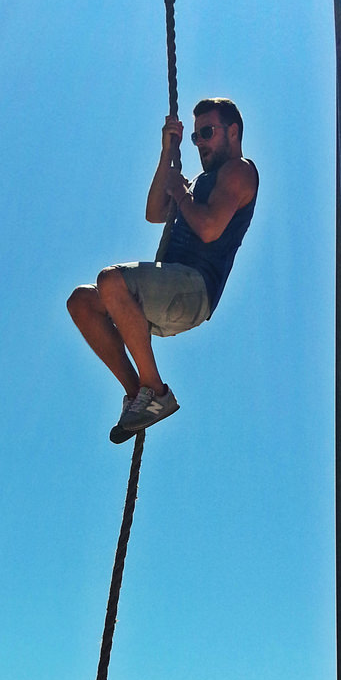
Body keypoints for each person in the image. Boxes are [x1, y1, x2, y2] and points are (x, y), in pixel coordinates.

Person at [67, 98, 258, 443]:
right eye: (196, 136)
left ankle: (155, 389)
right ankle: (140, 397)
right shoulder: (201, 182)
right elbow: (155, 212)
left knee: (110, 281)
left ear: (233, 132)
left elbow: (211, 228)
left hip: (193, 290)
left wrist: (182, 194)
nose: (199, 143)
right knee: (81, 302)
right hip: (169, 290)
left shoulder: (239, 171)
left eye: (207, 132)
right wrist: (166, 153)